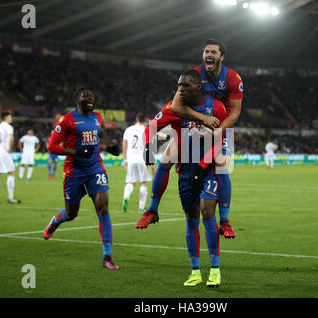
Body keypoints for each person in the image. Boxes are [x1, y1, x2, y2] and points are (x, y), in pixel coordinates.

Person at [136, 39, 243, 239]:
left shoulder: (232, 79)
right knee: (166, 159)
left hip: (221, 125)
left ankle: (225, 221)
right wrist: (148, 147)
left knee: (222, 164)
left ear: (222, 57)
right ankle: (152, 210)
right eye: (206, 52)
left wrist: (219, 130)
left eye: (213, 52)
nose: (209, 55)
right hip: (191, 124)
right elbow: (176, 106)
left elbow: (235, 112)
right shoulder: (192, 76)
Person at [143, 70, 228, 287]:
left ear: (198, 87)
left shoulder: (216, 107)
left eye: (185, 85)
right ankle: (195, 271)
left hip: (207, 168)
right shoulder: (173, 109)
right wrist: (148, 146)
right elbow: (151, 128)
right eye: (179, 84)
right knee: (191, 221)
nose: (180, 88)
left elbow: (220, 141)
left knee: (208, 211)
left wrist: (202, 166)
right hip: (185, 170)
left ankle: (216, 271)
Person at [43, 88, 120, 270]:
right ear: (78, 100)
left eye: (92, 97)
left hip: (95, 168)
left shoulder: (98, 118)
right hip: (74, 172)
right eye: (86, 97)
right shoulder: (67, 120)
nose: (90, 100)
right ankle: (55, 221)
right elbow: (52, 147)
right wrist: (75, 152)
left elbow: (92, 142)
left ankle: (107, 257)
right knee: (71, 214)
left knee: (103, 206)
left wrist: (107, 148)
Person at [0, 112, 21, 204]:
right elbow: (11, 138)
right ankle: (10, 197)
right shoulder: (8, 126)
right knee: (11, 172)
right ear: (6, 118)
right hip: (4, 152)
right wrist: (10, 148)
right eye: (10, 117)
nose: (11, 118)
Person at [122, 112, 152, 213]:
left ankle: (126, 197)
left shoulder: (128, 129)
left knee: (131, 182)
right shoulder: (146, 130)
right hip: (142, 160)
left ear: (136, 120)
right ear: (145, 120)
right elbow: (149, 147)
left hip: (131, 159)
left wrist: (125, 159)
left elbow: (125, 144)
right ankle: (141, 207)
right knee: (144, 183)